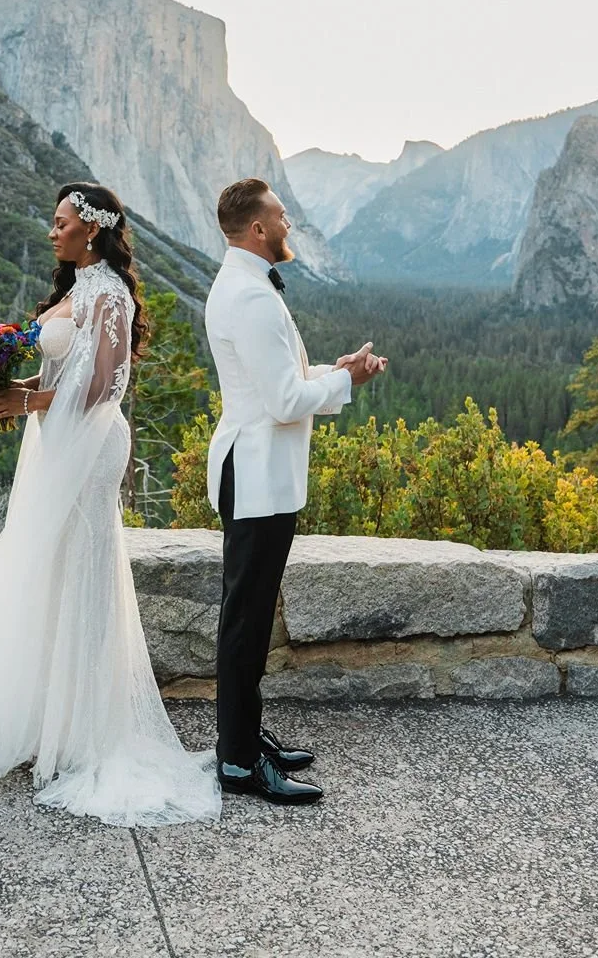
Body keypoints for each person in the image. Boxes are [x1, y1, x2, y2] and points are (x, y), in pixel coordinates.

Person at [0, 181, 221, 827]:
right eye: (53, 221)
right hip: (58, 438)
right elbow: (66, 372)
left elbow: (107, 382)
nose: (52, 231)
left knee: (82, 573)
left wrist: (30, 401)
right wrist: (18, 384)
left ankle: (86, 733)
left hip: (90, 446)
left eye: (61, 222)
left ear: (91, 229)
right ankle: (47, 720)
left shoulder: (109, 292)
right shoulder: (75, 290)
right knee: (49, 567)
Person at [205, 178, 386, 805]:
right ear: (258, 229)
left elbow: (278, 381)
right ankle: (236, 761)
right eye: (282, 216)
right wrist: (348, 384)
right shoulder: (251, 298)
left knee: (249, 616)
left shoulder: (245, 285)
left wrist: (336, 372)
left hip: (259, 471)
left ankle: (246, 738)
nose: (289, 225)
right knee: (246, 621)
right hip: (256, 476)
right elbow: (283, 402)